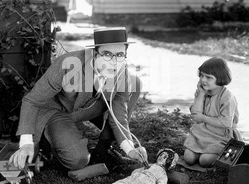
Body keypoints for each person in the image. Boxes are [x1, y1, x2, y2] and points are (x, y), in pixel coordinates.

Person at [9, 27, 147, 173]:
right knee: (78, 160)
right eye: (107, 54)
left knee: (135, 83)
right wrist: (26, 143)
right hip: (58, 111)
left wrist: (129, 148)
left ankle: (105, 147)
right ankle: (47, 141)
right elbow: (32, 100)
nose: (114, 62)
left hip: (87, 108)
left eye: (119, 55)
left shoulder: (120, 71)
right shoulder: (69, 64)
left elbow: (119, 115)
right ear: (95, 54)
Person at [183, 57, 240, 168]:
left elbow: (226, 123)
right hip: (201, 133)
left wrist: (203, 118)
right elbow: (195, 115)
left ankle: (219, 153)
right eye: (201, 75)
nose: (203, 80)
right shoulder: (202, 91)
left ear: (220, 78)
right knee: (188, 158)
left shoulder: (227, 97)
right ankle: (201, 151)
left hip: (219, 136)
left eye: (208, 77)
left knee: (205, 160)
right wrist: (200, 95)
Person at [101, 148, 179, 184]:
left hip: (145, 182)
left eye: (165, 157)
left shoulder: (163, 174)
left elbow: (162, 182)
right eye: (161, 155)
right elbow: (137, 170)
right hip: (135, 177)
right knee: (123, 182)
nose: (161, 157)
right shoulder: (150, 165)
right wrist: (137, 172)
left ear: (170, 163)